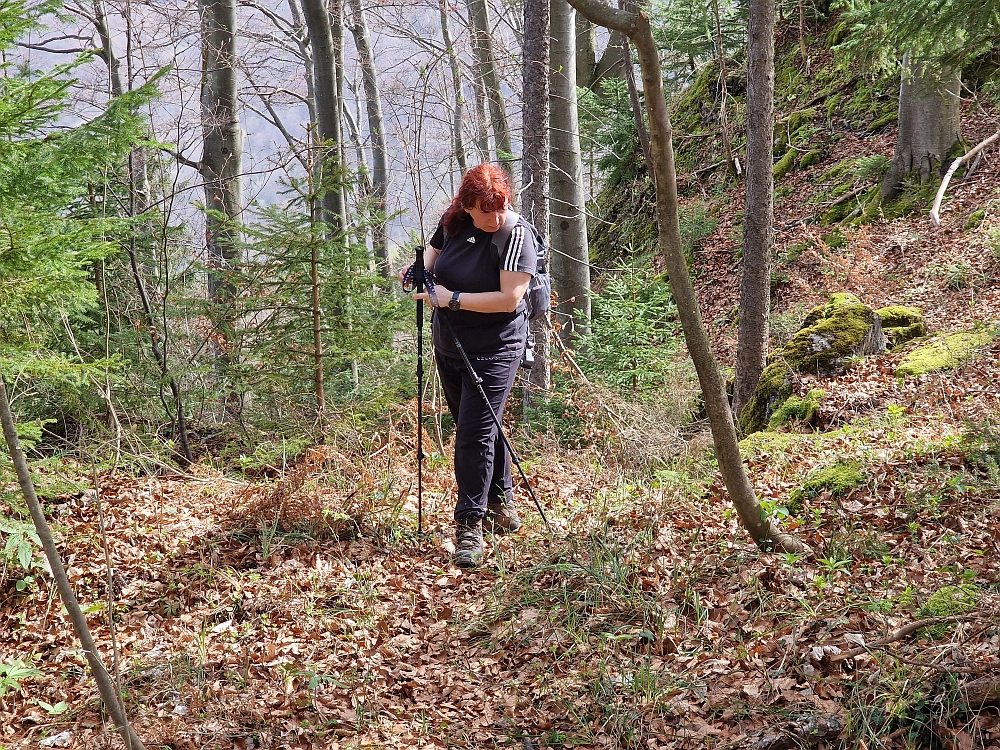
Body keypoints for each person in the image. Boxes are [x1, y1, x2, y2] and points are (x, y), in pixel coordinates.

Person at [400, 164, 538, 569]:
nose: (494, 218)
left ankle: (469, 525)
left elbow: (509, 299)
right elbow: (429, 262)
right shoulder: (452, 222)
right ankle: (501, 501)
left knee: (473, 434)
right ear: (466, 206)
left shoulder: (516, 234)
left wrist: (451, 298)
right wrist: (418, 278)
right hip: (451, 346)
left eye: (500, 207)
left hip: (496, 348)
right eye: (485, 211)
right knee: (479, 426)